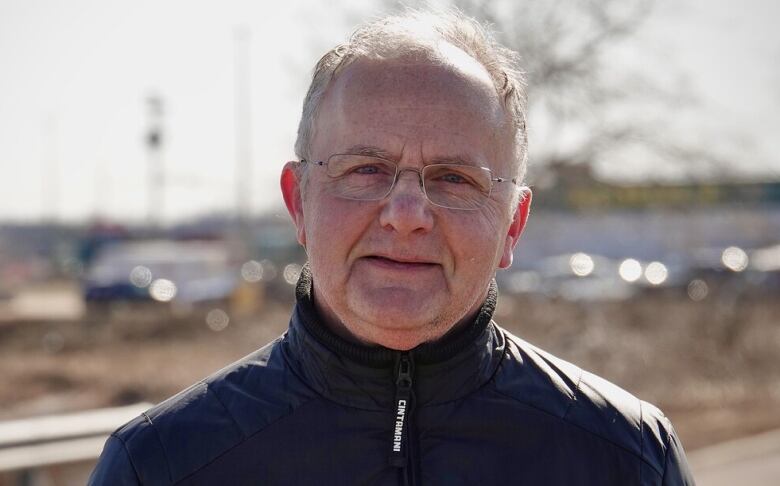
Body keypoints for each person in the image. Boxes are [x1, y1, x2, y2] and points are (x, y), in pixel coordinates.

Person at [89, 9, 694, 485]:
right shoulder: (162, 466)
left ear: (513, 224)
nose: (407, 216)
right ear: (299, 201)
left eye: (455, 179)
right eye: (366, 170)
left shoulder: (630, 459)